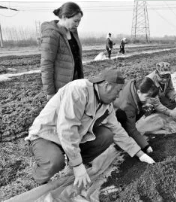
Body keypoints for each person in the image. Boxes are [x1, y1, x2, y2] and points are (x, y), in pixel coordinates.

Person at [25, 68, 155, 188]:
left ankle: (75, 162)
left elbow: (118, 131)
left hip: (74, 137)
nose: (119, 95)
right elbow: (67, 129)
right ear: (107, 86)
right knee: (55, 161)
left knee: (107, 135)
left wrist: (139, 153)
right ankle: (39, 179)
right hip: (48, 135)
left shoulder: (106, 105)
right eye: (118, 91)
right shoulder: (78, 91)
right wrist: (77, 165)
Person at [40, 2, 84, 101]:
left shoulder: (72, 33)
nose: (77, 25)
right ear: (64, 17)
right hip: (60, 88)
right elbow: (46, 65)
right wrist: (50, 92)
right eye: (75, 21)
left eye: (79, 21)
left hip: (74, 84)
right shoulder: (52, 34)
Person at [113, 77, 159, 154]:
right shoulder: (127, 105)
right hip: (112, 116)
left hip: (122, 109)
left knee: (145, 109)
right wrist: (145, 146)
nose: (148, 100)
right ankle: (120, 139)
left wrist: (143, 106)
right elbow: (131, 129)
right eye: (147, 97)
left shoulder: (134, 84)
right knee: (124, 120)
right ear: (138, 92)